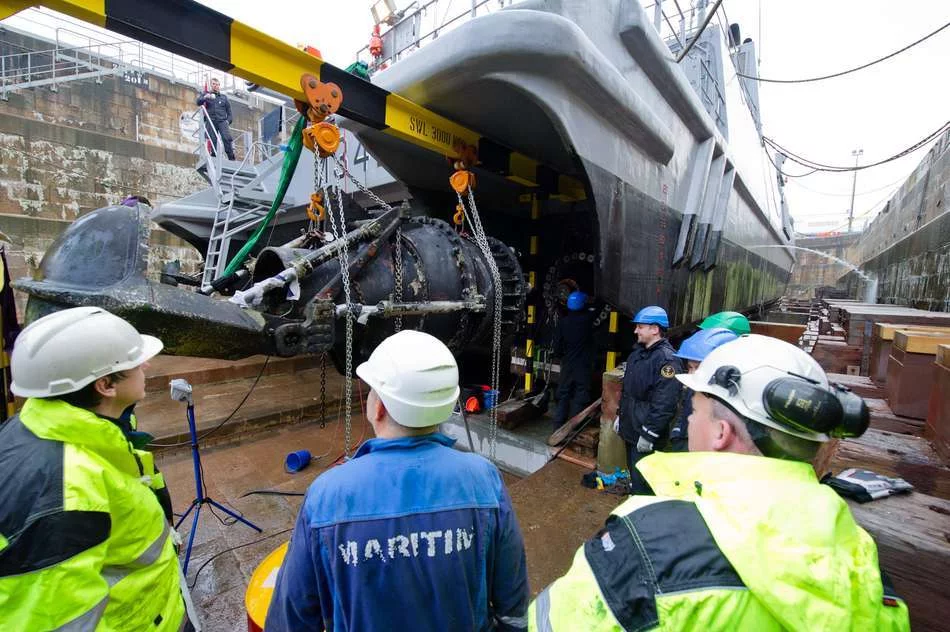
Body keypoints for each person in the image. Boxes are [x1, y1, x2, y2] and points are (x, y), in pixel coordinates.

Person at [528, 335, 910, 631]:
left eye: (694, 411)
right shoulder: (864, 562)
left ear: (721, 432)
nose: (688, 421)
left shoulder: (643, 545)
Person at [266, 330, 529, 632]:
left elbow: (291, 619)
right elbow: (513, 606)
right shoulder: (484, 480)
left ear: (379, 407)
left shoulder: (327, 495)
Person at [0, 307, 195, 631]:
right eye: (135, 363)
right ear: (105, 385)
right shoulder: (67, 493)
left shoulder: (42, 429)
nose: (146, 365)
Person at [616, 305, 681, 493]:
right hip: (631, 428)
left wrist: (649, 433)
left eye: (640, 327)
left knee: (644, 485)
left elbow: (665, 403)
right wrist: (621, 415)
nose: (635, 331)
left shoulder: (667, 361)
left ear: (655, 329)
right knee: (634, 478)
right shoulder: (637, 354)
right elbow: (628, 390)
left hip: (645, 434)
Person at [668, 327, 738, 452]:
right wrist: (677, 434)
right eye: (689, 367)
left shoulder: (731, 403)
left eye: (697, 367)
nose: (691, 374)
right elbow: (684, 410)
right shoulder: (695, 386)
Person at [551, 290, 594, 432]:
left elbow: (557, 347)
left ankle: (557, 426)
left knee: (563, 393)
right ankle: (574, 427)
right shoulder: (588, 321)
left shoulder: (563, 322)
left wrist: (560, 355)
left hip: (568, 363)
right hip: (583, 364)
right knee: (581, 393)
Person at [196, 77, 235, 160]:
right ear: (211, 85)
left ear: (219, 86)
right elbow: (198, 102)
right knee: (213, 139)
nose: (215, 86)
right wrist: (205, 97)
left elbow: (230, 113)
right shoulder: (206, 95)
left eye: (217, 84)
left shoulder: (224, 97)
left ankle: (231, 158)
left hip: (222, 121)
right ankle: (214, 157)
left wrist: (228, 122)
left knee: (226, 138)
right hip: (211, 121)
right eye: (213, 84)